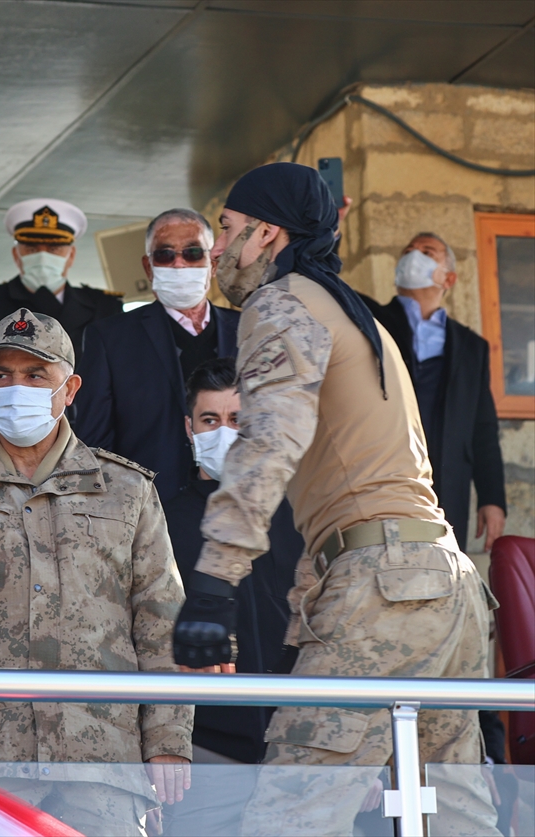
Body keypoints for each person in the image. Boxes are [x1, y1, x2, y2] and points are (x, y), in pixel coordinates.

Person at [173, 162, 499, 836]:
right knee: (457, 815)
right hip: (447, 586)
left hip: (384, 584)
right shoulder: (356, 314)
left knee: (290, 814)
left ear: (267, 233)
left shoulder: (283, 302)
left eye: (227, 230)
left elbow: (268, 443)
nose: (220, 252)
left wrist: (212, 584)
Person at [0, 309, 192, 836]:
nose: (16, 387)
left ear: (70, 389)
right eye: (3, 374)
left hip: (101, 763)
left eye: (35, 375)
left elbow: (160, 620)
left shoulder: (127, 491)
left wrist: (168, 741)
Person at [159, 358, 301, 837]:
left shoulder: (298, 516)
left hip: (297, 752)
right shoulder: (159, 520)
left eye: (237, 420)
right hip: (206, 754)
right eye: (210, 420)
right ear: (189, 427)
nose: (224, 432)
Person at [75, 209, 240, 502]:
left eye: (192, 253)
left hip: (245, 505)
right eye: (164, 255)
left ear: (212, 263)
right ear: (148, 267)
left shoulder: (248, 330)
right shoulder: (110, 338)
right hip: (151, 514)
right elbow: (95, 445)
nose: (179, 263)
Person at [360, 232, 507, 551]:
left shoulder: (472, 347)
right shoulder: (370, 318)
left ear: (449, 278)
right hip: (382, 469)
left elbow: (483, 428)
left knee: (443, 567)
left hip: (448, 479)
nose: (414, 255)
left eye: (428, 251)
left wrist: (492, 498)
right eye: (408, 250)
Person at [0, 199, 123, 425]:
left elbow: (118, 386)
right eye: (32, 249)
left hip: (89, 438)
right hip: (10, 437)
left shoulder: (104, 306)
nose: (43, 256)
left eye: (54, 249)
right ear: (17, 255)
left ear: (71, 255)